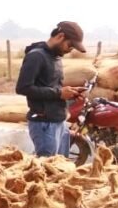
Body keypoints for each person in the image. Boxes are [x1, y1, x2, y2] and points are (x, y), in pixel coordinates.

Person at [16, 21, 87, 157]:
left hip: (58, 121)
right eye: (70, 45)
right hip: (44, 124)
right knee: (48, 172)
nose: (70, 50)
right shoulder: (36, 56)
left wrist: (70, 92)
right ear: (60, 36)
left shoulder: (55, 57)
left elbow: (51, 87)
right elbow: (23, 88)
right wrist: (59, 93)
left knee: (61, 168)